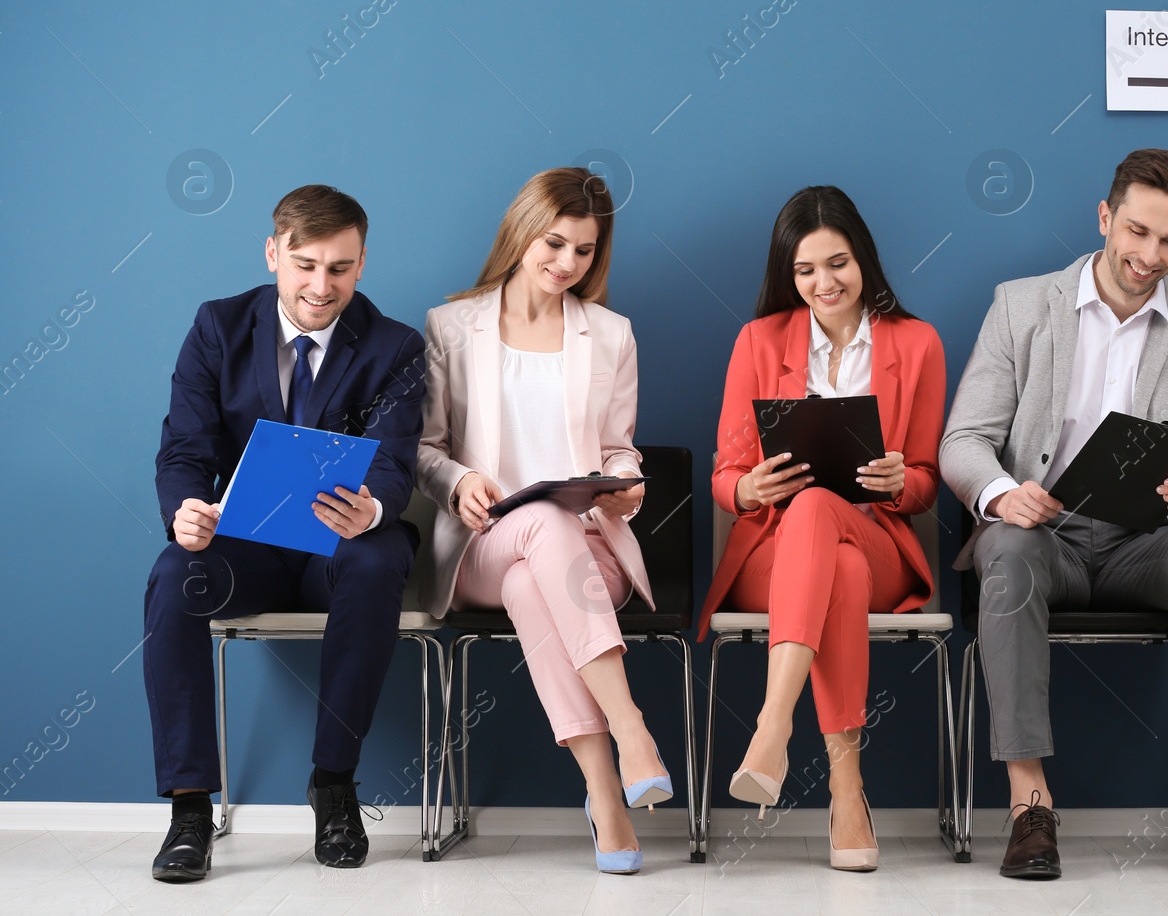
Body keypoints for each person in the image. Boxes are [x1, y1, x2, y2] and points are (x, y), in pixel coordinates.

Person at [940, 148, 1168, 882]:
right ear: (1106, 217)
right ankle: (1029, 803)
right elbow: (963, 442)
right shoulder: (1021, 306)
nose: (1151, 255)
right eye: (1138, 231)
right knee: (1009, 550)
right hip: (1042, 539)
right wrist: (1000, 495)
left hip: (1146, 544)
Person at [146, 185, 427, 881]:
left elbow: (396, 458)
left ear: (362, 263)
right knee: (172, 575)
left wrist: (374, 508)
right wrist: (186, 507)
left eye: (339, 267)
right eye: (304, 264)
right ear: (273, 252)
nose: (320, 285)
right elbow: (185, 447)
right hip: (249, 547)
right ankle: (188, 808)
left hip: (340, 544)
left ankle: (334, 785)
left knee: (379, 554)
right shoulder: (217, 326)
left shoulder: (395, 346)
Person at [416, 168, 669, 875]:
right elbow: (423, 449)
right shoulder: (451, 326)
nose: (566, 264)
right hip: (481, 545)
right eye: (554, 243)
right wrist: (460, 479)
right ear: (521, 231)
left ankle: (603, 793)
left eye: (584, 251)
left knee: (541, 569)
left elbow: (619, 445)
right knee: (536, 535)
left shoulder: (611, 334)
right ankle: (632, 729)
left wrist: (626, 486)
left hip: (589, 553)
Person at [703, 186, 945, 872]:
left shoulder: (916, 342)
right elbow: (726, 476)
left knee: (831, 528)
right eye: (806, 270)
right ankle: (846, 787)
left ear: (862, 258)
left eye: (837, 263)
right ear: (789, 274)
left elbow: (927, 478)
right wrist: (749, 486)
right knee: (825, 542)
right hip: (774, 549)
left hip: (879, 535)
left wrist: (903, 480)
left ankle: (773, 725)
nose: (823, 283)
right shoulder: (759, 339)